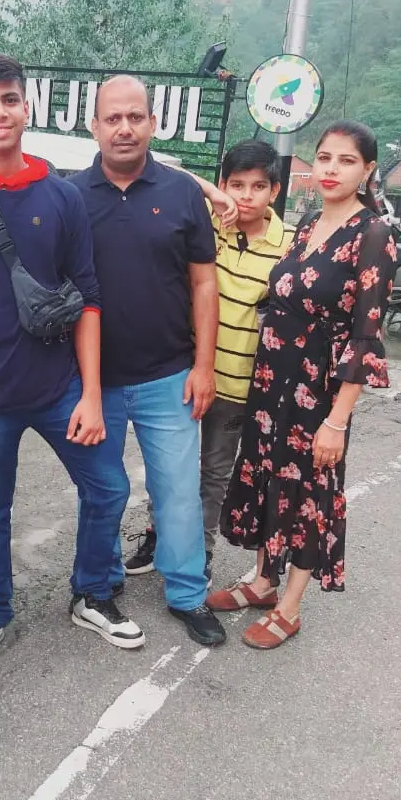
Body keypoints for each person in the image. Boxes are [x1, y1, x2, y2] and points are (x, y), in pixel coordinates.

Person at [0, 55, 143, 673]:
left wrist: (91, 393)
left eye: (8, 100)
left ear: (26, 107)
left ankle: (93, 592)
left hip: (56, 385)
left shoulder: (61, 197)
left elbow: (88, 297)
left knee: (109, 486)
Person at [211, 120, 397, 647]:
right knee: (268, 478)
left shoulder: (374, 235)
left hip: (318, 395)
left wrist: (337, 420)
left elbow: (366, 336)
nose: (332, 169)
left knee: (308, 493)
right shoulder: (308, 222)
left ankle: (289, 606)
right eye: (325, 158)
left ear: (368, 170)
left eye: (346, 160)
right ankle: (263, 582)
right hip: (271, 382)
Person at [70, 74, 228, 647]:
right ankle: (100, 586)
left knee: (178, 492)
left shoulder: (182, 192)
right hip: (94, 382)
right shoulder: (71, 195)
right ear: (94, 126)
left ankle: (187, 593)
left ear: (153, 124)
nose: (124, 128)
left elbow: (205, 284)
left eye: (135, 117)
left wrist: (203, 365)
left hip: (170, 374)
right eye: (112, 118)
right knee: (102, 491)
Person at [124, 140, 295, 583]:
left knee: (212, 477)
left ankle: (199, 556)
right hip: (183, 373)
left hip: (238, 386)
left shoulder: (289, 248)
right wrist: (213, 196)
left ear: (274, 191)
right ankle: (158, 537)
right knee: (169, 470)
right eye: (235, 184)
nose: (246, 195)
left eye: (258, 186)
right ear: (222, 186)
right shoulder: (210, 226)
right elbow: (155, 165)